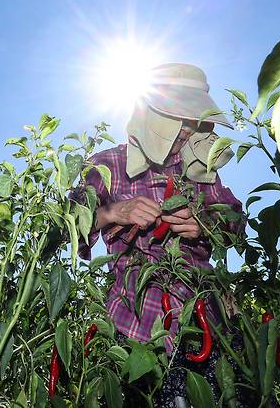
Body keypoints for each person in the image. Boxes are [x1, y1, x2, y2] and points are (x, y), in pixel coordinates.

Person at [78, 63, 250, 407]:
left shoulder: (202, 174)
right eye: (180, 119)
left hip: (207, 318)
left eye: (194, 121)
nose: (187, 130)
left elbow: (236, 222)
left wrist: (207, 224)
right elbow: (68, 224)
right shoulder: (108, 164)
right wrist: (113, 212)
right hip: (136, 320)